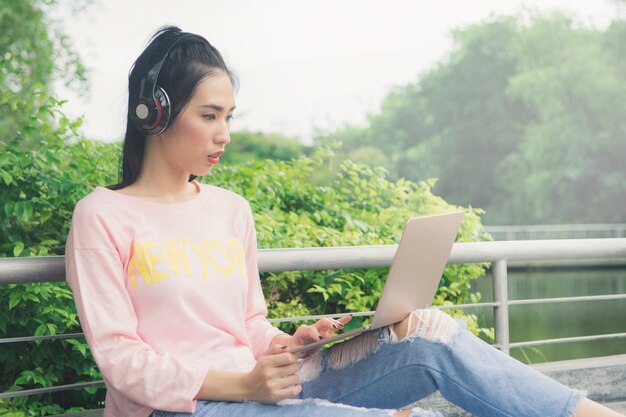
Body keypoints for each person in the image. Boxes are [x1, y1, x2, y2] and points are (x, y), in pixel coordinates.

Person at [64, 25, 623, 417]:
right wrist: (245, 385)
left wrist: (292, 342)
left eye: (229, 117)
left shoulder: (229, 210)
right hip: (184, 408)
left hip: (266, 385)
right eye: (208, 116)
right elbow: (121, 362)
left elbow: (248, 324)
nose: (224, 134)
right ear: (155, 112)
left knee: (427, 332)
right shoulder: (103, 217)